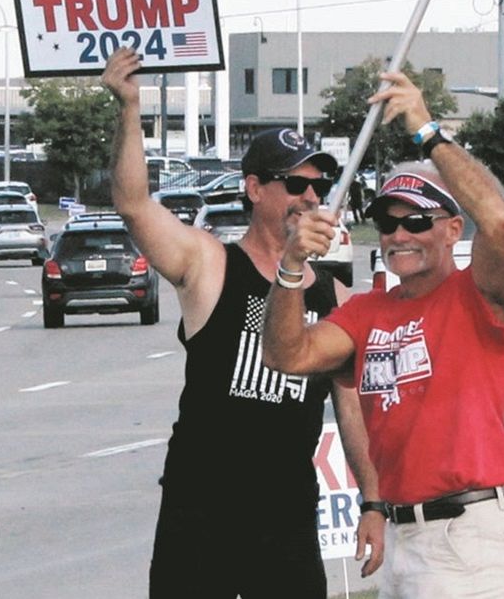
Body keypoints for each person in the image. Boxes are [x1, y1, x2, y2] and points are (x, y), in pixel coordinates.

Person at [101, 48, 382, 599]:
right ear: (255, 189)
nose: (309, 197)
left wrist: (372, 501)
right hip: (201, 511)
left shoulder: (334, 295)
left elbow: (352, 410)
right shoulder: (209, 263)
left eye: (318, 186)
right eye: (294, 184)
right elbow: (133, 205)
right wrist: (130, 108)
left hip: (286, 516)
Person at [261, 69, 504, 599]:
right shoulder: (366, 312)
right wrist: (291, 263)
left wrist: (427, 131)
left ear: (453, 229)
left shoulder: (477, 294)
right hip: (402, 534)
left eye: (417, 221)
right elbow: (286, 356)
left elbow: (499, 222)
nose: (399, 235)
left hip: (467, 534)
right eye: (387, 222)